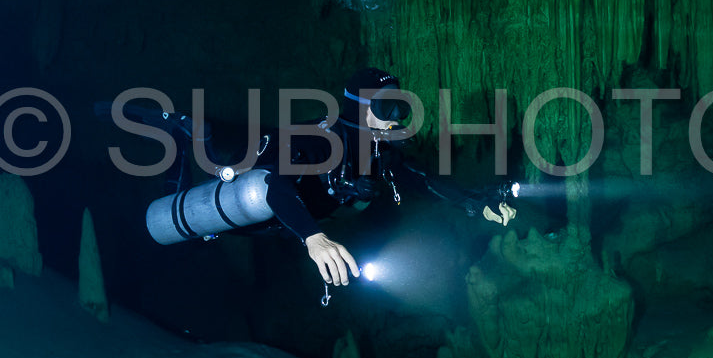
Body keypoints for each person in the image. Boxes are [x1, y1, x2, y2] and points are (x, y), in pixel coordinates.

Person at [113, 67, 514, 290]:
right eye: (387, 107)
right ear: (359, 108)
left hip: (280, 222)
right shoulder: (321, 141)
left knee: (217, 229)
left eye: (401, 107)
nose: (396, 118)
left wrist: (475, 203)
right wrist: (313, 238)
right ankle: (182, 134)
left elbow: (420, 179)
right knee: (192, 202)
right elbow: (274, 185)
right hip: (264, 198)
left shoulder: (379, 151)